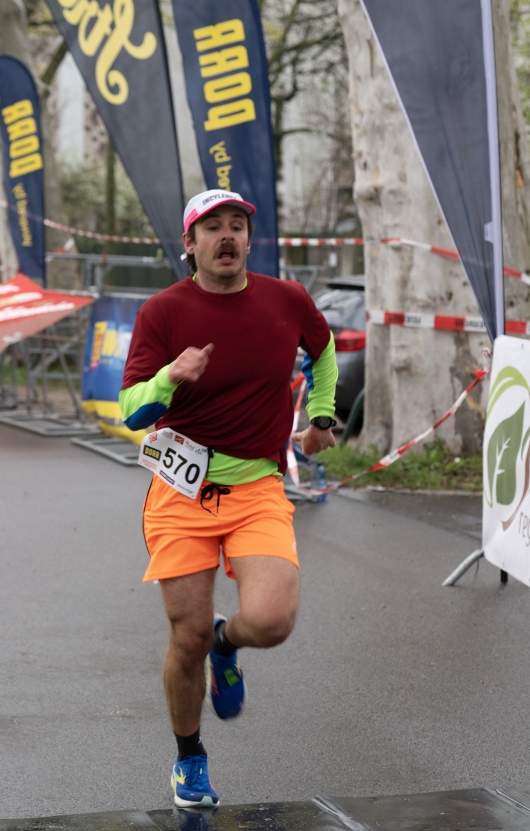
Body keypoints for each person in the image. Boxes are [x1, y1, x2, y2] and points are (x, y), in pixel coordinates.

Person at [119, 189, 338, 808]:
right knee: (185, 636)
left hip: (257, 488)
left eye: (236, 225)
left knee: (271, 621)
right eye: (211, 227)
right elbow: (130, 408)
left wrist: (321, 415)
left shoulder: (286, 299)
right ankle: (189, 757)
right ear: (189, 245)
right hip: (181, 493)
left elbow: (322, 350)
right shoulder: (163, 312)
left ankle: (229, 643)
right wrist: (170, 377)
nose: (226, 236)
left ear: (248, 238)